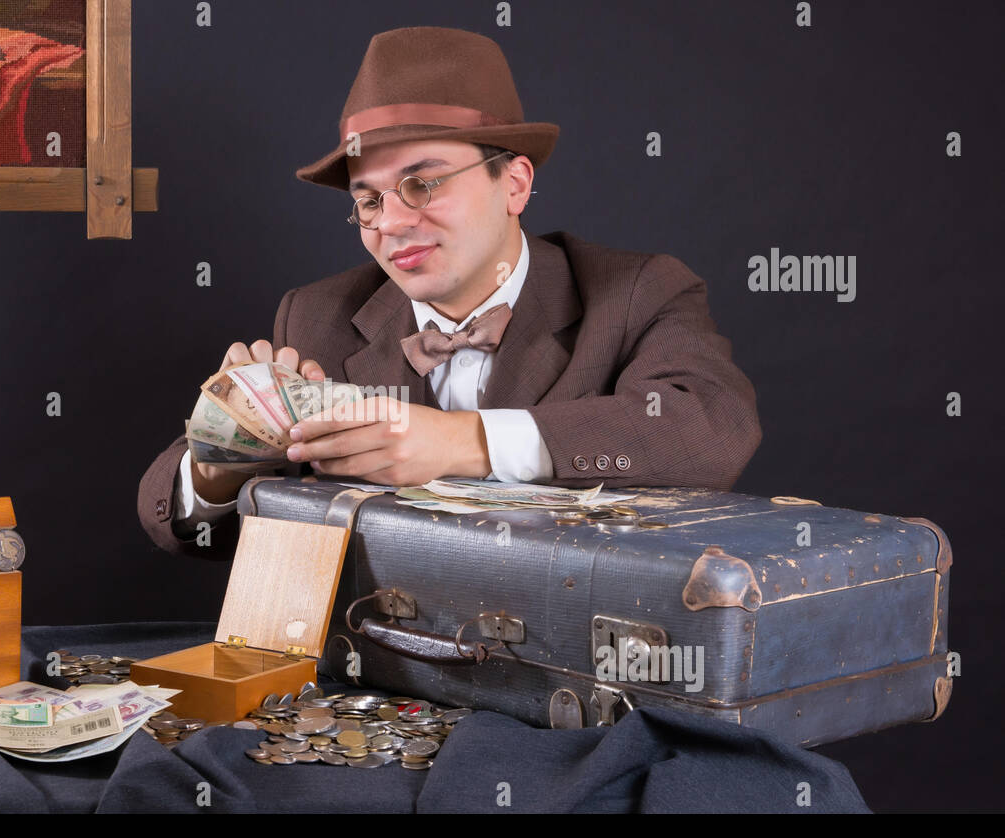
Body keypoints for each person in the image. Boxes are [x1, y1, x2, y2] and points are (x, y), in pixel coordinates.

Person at [138, 26, 761, 558]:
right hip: (378, 673)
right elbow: (186, 528)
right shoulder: (316, 316)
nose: (392, 222)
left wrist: (466, 440)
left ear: (514, 184)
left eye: (423, 184)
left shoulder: (636, 292)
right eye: (369, 200)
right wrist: (220, 464)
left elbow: (712, 427)